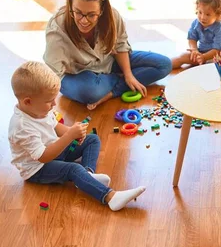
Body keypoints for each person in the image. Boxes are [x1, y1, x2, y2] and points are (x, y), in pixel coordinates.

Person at [8, 61, 146, 211]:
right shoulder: (22, 126)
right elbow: (43, 157)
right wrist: (69, 136)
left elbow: (54, 126)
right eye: (49, 101)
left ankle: (88, 175)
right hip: (38, 169)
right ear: (28, 101)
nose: (54, 104)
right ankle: (110, 197)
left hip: (54, 151)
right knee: (73, 169)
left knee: (92, 140)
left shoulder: (39, 109)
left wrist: (73, 132)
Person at [43, 0, 172, 110]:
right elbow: (54, 73)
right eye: (78, 13)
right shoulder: (57, 28)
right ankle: (108, 86)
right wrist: (46, 106)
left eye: (91, 15)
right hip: (77, 74)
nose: (84, 21)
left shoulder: (112, 16)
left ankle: (111, 91)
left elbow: (120, 45)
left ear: (102, 10)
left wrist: (128, 74)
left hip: (108, 62)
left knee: (164, 65)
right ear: (70, 6)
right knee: (92, 93)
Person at [171, 0, 221, 69]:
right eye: (200, 12)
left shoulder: (220, 28)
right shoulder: (196, 23)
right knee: (182, 57)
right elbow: (192, 38)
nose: (203, 17)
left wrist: (204, 57)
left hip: (219, 57)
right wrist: (194, 50)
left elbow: (218, 49)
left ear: (218, 14)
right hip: (201, 53)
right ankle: (163, 66)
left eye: (208, 14)